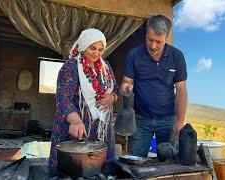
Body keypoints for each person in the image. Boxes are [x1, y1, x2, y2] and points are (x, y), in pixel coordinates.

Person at [49, 28, 119, 165]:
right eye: (92, 48)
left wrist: (113, 97)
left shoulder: (106, 67)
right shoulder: (71, 67)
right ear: (83, 45)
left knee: (98, 168)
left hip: (102, 130)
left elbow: (115, 88)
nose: (96, 53)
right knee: (73, 168)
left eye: (100, 49)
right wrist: (75, 121)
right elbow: (63, 99)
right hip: (77, 129)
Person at [120, 15, 187, 157]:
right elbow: (127, 81)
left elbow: (181, 90)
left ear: (166, 38)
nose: (153, 45)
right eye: (150, 39)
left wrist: (180, 121)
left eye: (159, 41)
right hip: (140, 120)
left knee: (170, 161)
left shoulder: (177, 57)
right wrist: (126, 88)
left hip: (168, 120)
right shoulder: (134, 55)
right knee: (136, 160)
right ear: (146, 33)